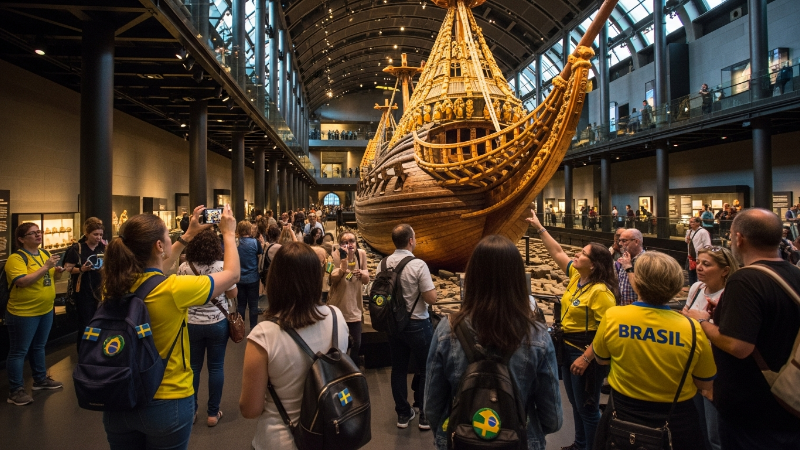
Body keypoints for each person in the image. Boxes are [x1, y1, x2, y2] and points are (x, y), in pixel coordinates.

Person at [100, 205, 239, 449]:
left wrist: (186, 237)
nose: (170, 238)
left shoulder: (112, 287)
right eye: (167, 235)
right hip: (166, 399)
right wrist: (228, 233)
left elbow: (153, 272)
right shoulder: (172, 290)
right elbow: (232, 275)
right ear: (158, 246)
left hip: (119, 396)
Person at [425, 235, 562, 449]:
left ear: (472, 276)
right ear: (518, 278)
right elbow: (553, 418)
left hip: (461, 439)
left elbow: (432, 408)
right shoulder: (537, 335)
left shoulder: (447, 328)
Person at [684, 208, 800, 449]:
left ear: (738, 238)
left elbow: (738, 346)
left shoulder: (745, 280)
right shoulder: (794, 273)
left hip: (754, 408)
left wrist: (701, 321)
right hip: (787, 399)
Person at [593, 252, 717, 450]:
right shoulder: (693, 328)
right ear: (676, 286)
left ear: (638, 282)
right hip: (675, 419)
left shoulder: (614, 316)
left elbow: (601, 359)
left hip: (622, 412)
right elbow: (705, 381)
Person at [239, 242, 349, 450]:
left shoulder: (264, 335)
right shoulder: (337, 317)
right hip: (330, 434)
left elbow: (250, 409)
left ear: (275, 280)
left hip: (281, 439)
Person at [525, 211, 616, 450]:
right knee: (576, 405)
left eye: (583, 253)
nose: (577, 254)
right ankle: (580, 443)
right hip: (568, 347)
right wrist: (539, 227)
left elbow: (608, 330)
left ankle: (593, 447)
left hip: (586, 352)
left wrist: (587, 358)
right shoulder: (577, 277)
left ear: (594, 264)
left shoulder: (601, 293)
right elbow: (557, 252)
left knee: (588, 408)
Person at [378, 224, 438, 429]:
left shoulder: (383, 263)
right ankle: (424, 415)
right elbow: (431, 298)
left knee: (399, 369)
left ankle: (403, 414)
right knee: (426, 368)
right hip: (418, 323)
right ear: (411, 240)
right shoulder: (418, 265)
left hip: (394, 325)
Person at [177, 229, 238, 427]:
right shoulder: (222, 267)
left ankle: (192, 411)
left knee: (193, 368)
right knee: (216, 367)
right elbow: (231, 294)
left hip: (192, 323)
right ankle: (212, 413)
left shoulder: (185, 267)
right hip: (217, 322)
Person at [681, 245, 738, 450]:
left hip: (717, 369)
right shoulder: (696, 288)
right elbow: (685, 317)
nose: (699, 267)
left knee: (716, 433)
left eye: (707, 264)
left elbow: (730, 337)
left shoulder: (731, 294)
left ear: (724, 270)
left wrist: (703, 321)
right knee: (697, 425)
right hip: (694, 363)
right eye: (699, 262)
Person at [4, 223, 68, 405]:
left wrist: (57, 272)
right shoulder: (16, 259)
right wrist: (46, 267)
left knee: (39, 346)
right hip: (23, 313)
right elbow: (22, 282)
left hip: (45, 309)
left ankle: (40, 380)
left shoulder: (44, 254)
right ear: (21, 239)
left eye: (39, 232)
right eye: (33, 233)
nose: (38, 235)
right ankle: (15, 391)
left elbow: (50, 278)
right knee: (19, 351)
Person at [63, 217, 107, 350]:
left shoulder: (103, 247)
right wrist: (81, 269)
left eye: (100, 234)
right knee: (86, 322)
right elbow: (68, 268)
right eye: (95, 234)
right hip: (83, 290)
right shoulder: (77, 248)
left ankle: (97, 348)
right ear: (87, 234)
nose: (98, 237)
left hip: (99, 288)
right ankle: (84, 350)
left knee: (99, 320)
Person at [328, 231, 369, 365]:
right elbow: (330, 279)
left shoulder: (361, 254)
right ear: (340, 244)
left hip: (355, 307)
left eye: (351, 241)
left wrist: (362, 274)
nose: (349, 245)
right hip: (338, 308)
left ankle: (352, 371)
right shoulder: (333, 255)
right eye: (344, 242)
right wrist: (342, 268)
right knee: (339, 346)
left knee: (356, 343)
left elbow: (366, 280)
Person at [236, 220, 263, 330]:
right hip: (253, 277)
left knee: (241, 305)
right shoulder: (255, 242)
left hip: (239, 277)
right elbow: (260, 255)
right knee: (253, 305)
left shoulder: (236, 242)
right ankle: (253, 328)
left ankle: (240, 328)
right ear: (249, 229)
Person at [614, 228, 645, 306]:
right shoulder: (625, 258)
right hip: (622, 307)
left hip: (637, 309)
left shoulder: (646, 261)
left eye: (624, 241)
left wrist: (628, 267)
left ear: (636, 242)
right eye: (619, 240)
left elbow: (642, 292)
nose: (620, 243)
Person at [686, 217, 712, 285]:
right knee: (691, 274)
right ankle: (692, 287)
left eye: (692, 222)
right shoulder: (689, 231)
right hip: (691, 257)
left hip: (699, 257)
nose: (690, 224)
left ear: (698, 223)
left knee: (699, 274)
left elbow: (707, 244)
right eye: (690, 222)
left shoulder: (703, 232)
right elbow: (686, 241)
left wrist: (704, 255)